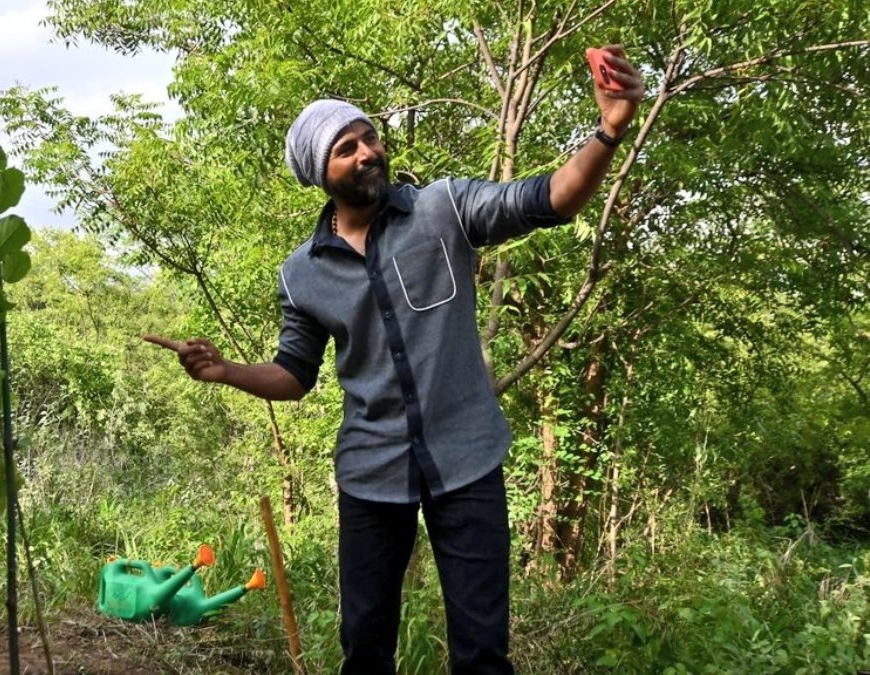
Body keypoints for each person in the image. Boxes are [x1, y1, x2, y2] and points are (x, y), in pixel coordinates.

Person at [145, 45, 644, 675]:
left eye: (369, 138)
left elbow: (551, 198)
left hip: (468, 462)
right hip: (370, 474)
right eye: (346, 148)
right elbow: (294, 376)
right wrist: (224, 371)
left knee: (484, 651)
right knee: (366, 646)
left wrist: (608, 131)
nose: (367, 152)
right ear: (319, 174)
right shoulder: (302, 274)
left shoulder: (445, 209)